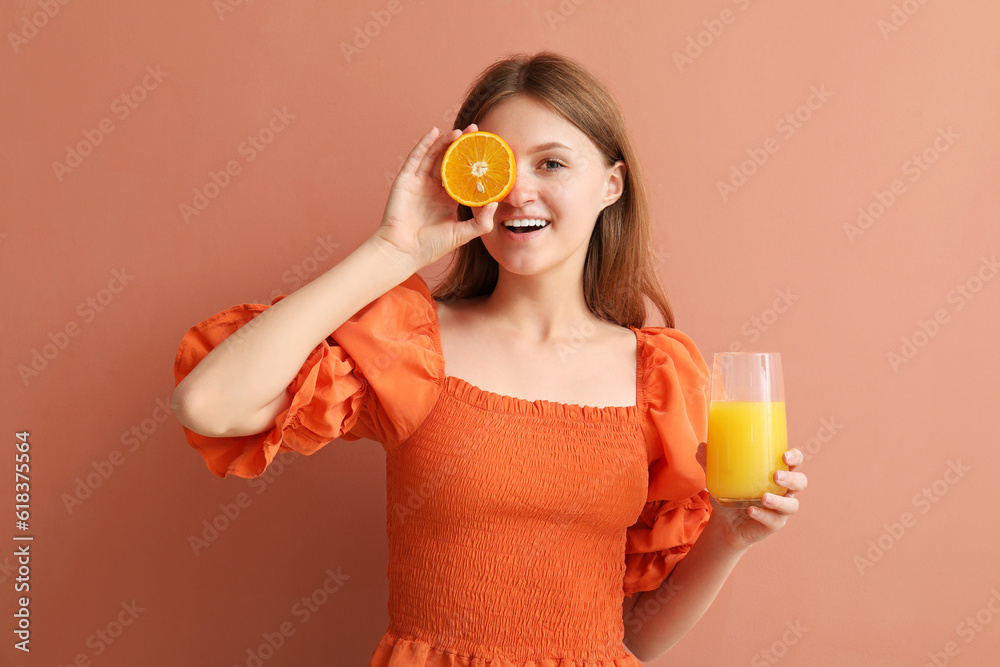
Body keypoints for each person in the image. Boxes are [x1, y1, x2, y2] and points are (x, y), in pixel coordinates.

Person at [171, 51, 807, 665]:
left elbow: (634, 640)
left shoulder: (659, 377)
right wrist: (393, 251)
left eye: (553, 164)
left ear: (611, 184)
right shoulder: (412, 344)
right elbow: (208, 403)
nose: (519, 192)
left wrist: (729, 538)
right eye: (499, 166)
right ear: (469, 179)